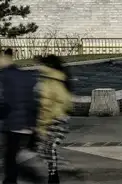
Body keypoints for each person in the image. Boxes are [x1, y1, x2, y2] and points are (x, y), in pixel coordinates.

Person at [0, 48, 42, 184]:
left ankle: (32, 178)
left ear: (6, 58)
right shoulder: (25, 76)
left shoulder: (3, 77)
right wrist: (34, 125)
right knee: (13, 156)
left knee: (10, 158)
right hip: (26, 124)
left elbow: (2, 103)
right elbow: (33, 102)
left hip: (13, 124)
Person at [36, 55, 73, 184]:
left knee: (49, 148)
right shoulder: (51, 78)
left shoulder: (54, 79)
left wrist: (50, 113)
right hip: (53, 118)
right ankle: (54, 174)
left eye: (41, 64)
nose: (38, 67)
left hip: (56, 118)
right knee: (46, 148)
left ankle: (54, 175)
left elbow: (60, 100)